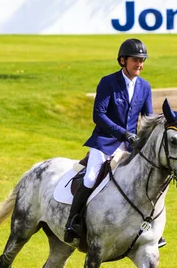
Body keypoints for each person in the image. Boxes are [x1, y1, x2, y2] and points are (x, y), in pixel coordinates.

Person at [64, 38, 166, 248]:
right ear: (123, 61)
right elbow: (99, 115)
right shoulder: (108, 82)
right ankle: (72, 222)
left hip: (131, 145)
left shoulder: (144, 86)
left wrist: (150, 137)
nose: (139, 64)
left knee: (145, 179)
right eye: (135, 60)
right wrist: (124, 134)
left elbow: (146, 117)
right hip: (104, 142)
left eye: (142, 60)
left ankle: (151, 228)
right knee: (91, 177)